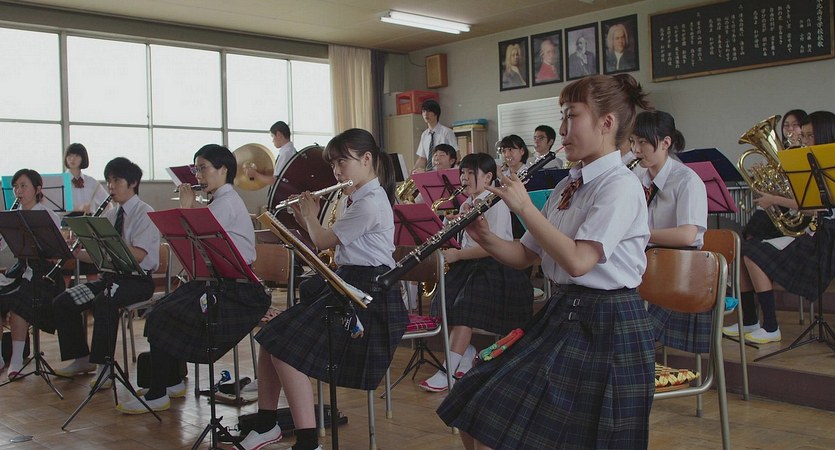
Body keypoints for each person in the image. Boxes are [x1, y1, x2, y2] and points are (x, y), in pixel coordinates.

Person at [436, 73, 654, 449]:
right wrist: (485, 236)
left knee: (500, 422)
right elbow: (524, 255)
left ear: (606, 123)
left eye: (572, 116)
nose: (563, 129)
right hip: (564, 312)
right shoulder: (567, 186)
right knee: (475, 399)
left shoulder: (619, 185)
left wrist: (523, 207)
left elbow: (579, 261)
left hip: (607, 325)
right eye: (561, 117)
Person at [239, 128, 408, 450]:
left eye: (342, 162)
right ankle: (266, 423)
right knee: (271, 339)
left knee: (284, 349)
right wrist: (304, 219)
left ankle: (308, 442)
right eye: (333, 164)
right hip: (347, 282)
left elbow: (322, 240)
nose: (336, 171)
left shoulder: (371, 202)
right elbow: (327, 241)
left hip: (368, 296)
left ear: (367, 159)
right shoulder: (354, 197)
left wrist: (310, 217)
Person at [115, 144, 270, 413]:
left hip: (237, 289)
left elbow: (196, 238)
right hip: (216, 282)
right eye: (196, 169)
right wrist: (190, 208)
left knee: (163, 316)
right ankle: (171, 382)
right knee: (161, 312)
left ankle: (159, 393)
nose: (198, 175)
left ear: (223, 170)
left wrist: (186, 208)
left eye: (203, 168)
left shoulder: (227, 202)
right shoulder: (218, 202)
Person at [419, 153, 533, 392]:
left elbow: (493, 247)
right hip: (470, 264)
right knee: (445, 303)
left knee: (464, 307)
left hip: (496, 268)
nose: (464, 178)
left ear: (488, 177)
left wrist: (458, 255)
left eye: (471, 173)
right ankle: (466, 354)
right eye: (463, 172)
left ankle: (448, 371)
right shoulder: (465, 204)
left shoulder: (495, 203)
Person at [726, 110, 835, 344]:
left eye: (810, 135)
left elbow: (817, 209)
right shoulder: (808, 163)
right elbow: (808, 205)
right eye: (804, 135)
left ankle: (771, 326)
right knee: (743, 251)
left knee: (753, 254)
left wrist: (775, 199)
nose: (805, 140)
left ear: (825, 134)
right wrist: (775, 193)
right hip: (814, 233)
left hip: (826, 240)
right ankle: (750, 320)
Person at [52, 157, 160, 384]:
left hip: (137, 280)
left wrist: (109, 245)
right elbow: (100, 256)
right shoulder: (110, 215)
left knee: (104, 301)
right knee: (63, 301)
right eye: (109, 181)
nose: (111, 186)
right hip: (111, 278)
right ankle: (82, 359)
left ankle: (105, 368)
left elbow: (139, 255)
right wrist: (76, 252)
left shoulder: (145, 213)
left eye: (117, 180)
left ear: (133, 182)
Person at [631, 111, 709, 354]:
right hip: (648, 261)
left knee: (632, 329)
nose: (636, 150)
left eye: (643, 142)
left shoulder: (687, 180)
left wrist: (640, 233)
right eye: (633, 142)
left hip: (682, 267)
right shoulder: (636, 176)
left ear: (665, 143)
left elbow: (687, 235)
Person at [0, 169, 65, 380]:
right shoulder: (11, 216)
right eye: (15, 187)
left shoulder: (47, 215)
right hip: (21, 270)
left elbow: (56, 253)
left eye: (23, 186)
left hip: (45, 275)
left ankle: (16, 360)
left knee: (18, 302)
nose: (18, 191)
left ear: (37, 189)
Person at [742, 109, 809, 241]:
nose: (790, 129)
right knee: (752, 229)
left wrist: (774, 198)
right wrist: (763, 182)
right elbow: (781, 191)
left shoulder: (805, 154)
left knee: (758, 237)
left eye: (795, 125)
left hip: (800, 213)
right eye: (786, 125)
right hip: (784, 207)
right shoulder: (775, 154)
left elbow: (804, 200)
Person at [63, 142, 109, 284]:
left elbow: (108, 204)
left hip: (88, 225)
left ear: (83, 158)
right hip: (67, 224)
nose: (72, 159)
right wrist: (78, 207)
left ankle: (92, 293)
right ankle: (61, 294)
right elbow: (55, 207)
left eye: (77, 155)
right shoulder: (60, 181)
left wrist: (98, 218)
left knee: (91, 267)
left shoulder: (91, 182)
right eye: (70, 155)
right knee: (65, 267)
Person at [244, 120, 296, 186]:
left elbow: (275, 181)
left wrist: (255, 174)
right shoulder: (290, 151)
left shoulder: (286, 154)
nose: (272, 140)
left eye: (273, 136)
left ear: (278, 135)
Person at [412, 100, 457, 173]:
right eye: (423, 111)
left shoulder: (447, 132)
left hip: (443, 173)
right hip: (429, 173)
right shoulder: (424, 134)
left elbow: (456, 155)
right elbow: (422, 158)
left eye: (429, 111)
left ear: (436, 113)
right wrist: (413, 172)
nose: (425, 114)